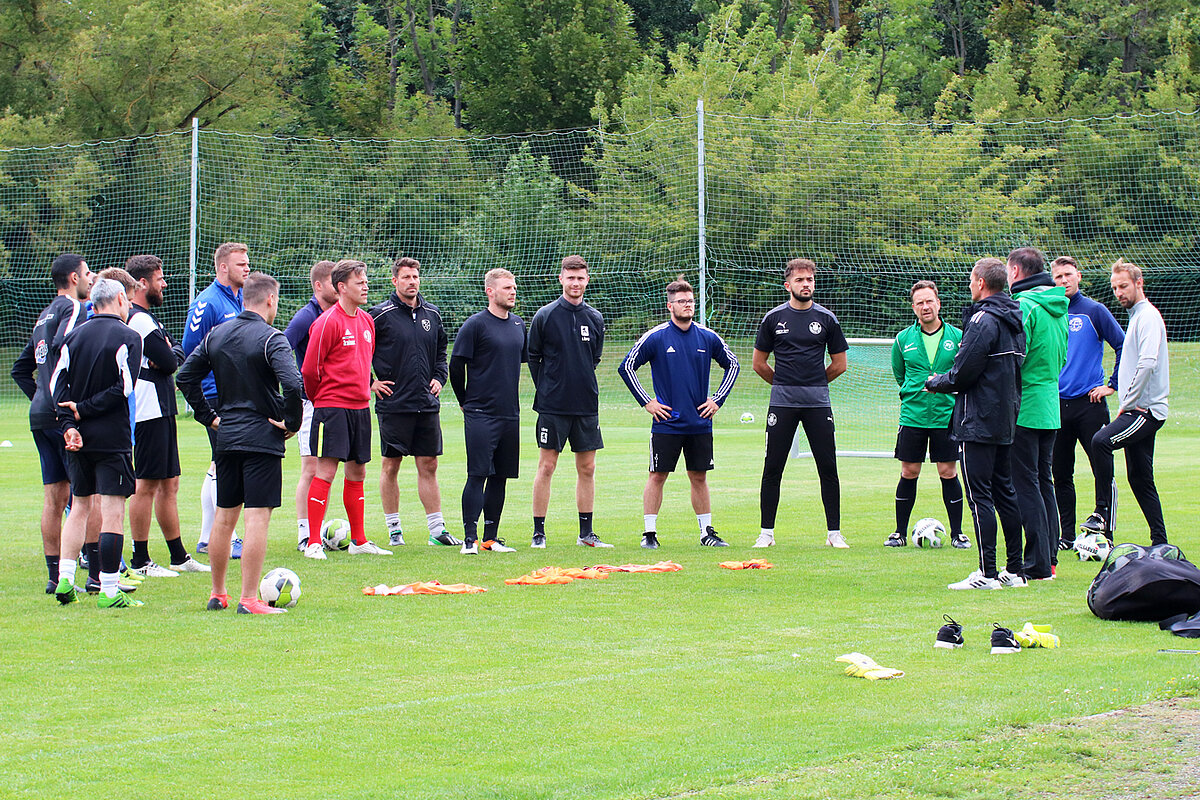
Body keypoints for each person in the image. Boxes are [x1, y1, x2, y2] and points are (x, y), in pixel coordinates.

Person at [177, 272, 303, 613]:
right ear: (271, 300)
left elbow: (184, 376)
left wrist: (210, 416)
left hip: (227, 436)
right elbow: (293, 384)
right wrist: (292, 422)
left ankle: (218, 593)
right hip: (261, 437)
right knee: (257, 518)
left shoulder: (217, 334)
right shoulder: (272, 338)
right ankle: (249, 599)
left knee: (223, 518)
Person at [927, 258, 1027, 590]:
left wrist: (935, 381)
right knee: (1005, 492)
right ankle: (1015, 571)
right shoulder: (1014, 318)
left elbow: (964, 372)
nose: (970, 286)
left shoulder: (983, 319)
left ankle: (986, 574)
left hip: (979, 420)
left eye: (972, 280)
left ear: (981, 282)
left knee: (980, 495)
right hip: (1005, 417)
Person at [618, 275, 739, 549]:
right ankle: (649, 534)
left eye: (690, 301)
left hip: (699, 423)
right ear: (670, 306)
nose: (687, 305)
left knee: (699, 476)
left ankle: (706, 532)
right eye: (681, 301)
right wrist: (647, 402)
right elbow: (626, 367)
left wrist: (717, 400)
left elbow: (733, 365)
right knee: (657, 475)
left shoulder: (707, 337)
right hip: (666, 424)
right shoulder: (656, 337)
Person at [49, 278, 144, 608]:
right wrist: (86, 411)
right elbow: (125, 388)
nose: (130, 305)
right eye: (128, 301)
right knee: (113, 513)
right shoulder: (129, 336)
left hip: (77, 439)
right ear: (119, 299)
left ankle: (64, 579)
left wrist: (68, 427)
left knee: (79, 507)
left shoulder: (71, 337)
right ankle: (108, 589)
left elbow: (56, 389)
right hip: (111, 438)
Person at [751, 258, 848, 548]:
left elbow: (839, 364)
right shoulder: (773, 318)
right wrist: (784, 385)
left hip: (818, 404)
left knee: (828, 467)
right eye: (800, 280)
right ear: (788, 285)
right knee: (773, 467)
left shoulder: (827, 319)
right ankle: (766, 533)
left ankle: (834, 534)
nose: (806, 285)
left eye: (809, 280)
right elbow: (759, 363)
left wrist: (814, 384)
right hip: (782, 405)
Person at [11, 254, 92, 594]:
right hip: (63, 413)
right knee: (87, 495)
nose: (91, 279)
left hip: (40, 415)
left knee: (53, 496)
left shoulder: (41, 316)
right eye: (87, 273)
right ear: (74, 278)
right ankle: (96, 572)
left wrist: (40, 397)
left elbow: (20, 369)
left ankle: (53, 574)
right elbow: (67, 344)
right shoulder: (72, 309)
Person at [300, 259, 391, 559]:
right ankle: (313, 542)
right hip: (331, 409)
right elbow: (310, 371)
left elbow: (363, 366)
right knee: (325, 472)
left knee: (358, 472)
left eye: (365, 280)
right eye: (359, 281)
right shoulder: (326, 322)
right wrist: (322, 400)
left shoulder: (366, 321)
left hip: (360, 409)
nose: (365, 286)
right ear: (341, 287)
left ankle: (359, 541)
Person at [125, 255, 208, 577]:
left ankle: (178, 556)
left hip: (161, 407)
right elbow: (171, 361)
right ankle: (140, 560)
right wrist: (169, 353)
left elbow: (175, 354)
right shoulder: (140, 320)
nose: (165, 285)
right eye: (160, 279)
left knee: (169, 483)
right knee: (146, 484)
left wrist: (169, 352)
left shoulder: (148, 319)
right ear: (142, 283)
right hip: (148, 410)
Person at [369, 256, 459, 547]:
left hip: (426, 402)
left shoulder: (432, 314)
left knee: (429, 464)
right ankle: (394, 530)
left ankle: (436, 531)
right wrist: (370, 382)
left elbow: (441, 350)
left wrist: (439, 377)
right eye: (406, 277)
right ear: (395, 281)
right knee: (390, 465)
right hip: (394, 403)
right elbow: (359, 351)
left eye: (415, 277)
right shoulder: (379, 315)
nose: (412, 282)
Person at [528, 255, 609, 548]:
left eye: (580, 278)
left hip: (586, 404)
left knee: (587, 467)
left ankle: (586, 534)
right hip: (552, 406)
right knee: (547, 466)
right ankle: (539, 533)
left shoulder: (595, 318)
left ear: (587, 280)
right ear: (561, 279)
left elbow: (594, 358)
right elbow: (533, 357)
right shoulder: (545, 315)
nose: (575, 283)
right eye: (570, 277)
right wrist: (549, 387)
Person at [1091, 259, 1170, 545]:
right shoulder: (1137, 316)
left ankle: (1101, 513)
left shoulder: (1147, 316)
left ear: (1139, 283)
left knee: (1101, 441)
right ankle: (1160, 542)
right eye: (1114, 288)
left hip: (1144, 410)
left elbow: (1148, 363)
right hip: (1141, 408)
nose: (1119, 292)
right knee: (1140, 478)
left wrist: (1130, 401)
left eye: (1123, 286)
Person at [449, 268, 528, 555]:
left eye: (514, 287)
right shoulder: (475, 325)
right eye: (507, 287)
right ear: (490, 292)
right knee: (478, 473)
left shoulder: (519, 325)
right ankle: (469, 540)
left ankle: (490, 538)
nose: (513, 291)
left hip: (510, 413)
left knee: (500, 476)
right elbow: (456, 367)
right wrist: (465, 401)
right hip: (480, 413)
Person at [886, 280, 968, 548]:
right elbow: (901, 375)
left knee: (948, 471)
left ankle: (958, 534)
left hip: (946, 415)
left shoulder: (957, 337)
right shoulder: (903, 339)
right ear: (914, 308)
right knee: (909, 471)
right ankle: (899, 533)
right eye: (919, 303)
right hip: (913, 415)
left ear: (938, 303)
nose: (925, 307)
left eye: (929, 301)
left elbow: (963, 373)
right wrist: (916, 393)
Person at [1051, 255, 1124, 548]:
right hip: (1056, 406)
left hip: (1089, 405)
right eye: (1058, 277)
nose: (1064, 281)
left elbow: (1122, 344)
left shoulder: (1094, 311)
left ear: (1078, 276)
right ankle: (1066, 535)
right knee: (1060, 471)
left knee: (1102, 467)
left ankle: (1104, 529)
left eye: (1068, 274)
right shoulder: (1050, 313)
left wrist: (1111, 386)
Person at [182, 242, 249, 557]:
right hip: (215, 395)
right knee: (226, 462)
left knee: (218, 462)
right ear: (223, 267)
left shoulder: (238, 300)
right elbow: (190, 350)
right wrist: (206, 397)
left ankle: (209, 536)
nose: (246, 268)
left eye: (247, 263)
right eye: (240, 264)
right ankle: (225, 535)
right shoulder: (207, 303)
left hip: (235, 393)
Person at [1007, 247, 1068, 581]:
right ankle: (1051, 558)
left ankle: (1037, 564)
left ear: (1015, 272)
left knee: (1025, 484)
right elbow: (1061, 357)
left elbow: (1017, 357)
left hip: (1027, 405)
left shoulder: (1025, 306)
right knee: (1045, 481)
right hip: (1051, 405)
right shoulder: (1059, 307)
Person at [283, 259, 338, 551]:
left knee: (327, 468)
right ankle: (305, 534)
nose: (339, 286)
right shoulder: (306, 316)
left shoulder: (337, 314)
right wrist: (294, 390)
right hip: (310, 403)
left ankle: (317, 530)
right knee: (311, 468)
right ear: (318, 286)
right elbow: (282, 347)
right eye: (333, 281)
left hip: (334, 403)